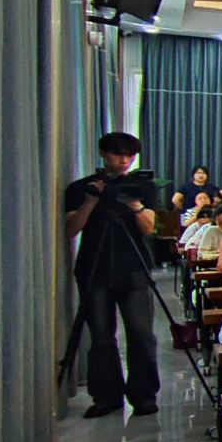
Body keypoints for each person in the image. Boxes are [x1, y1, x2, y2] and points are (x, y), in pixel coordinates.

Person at [63, 132, 163, 418]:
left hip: (134, 267)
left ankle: (144, 394)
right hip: (94, 268)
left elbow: (149, 229)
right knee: (101, 336)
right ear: (104, 154)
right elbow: (71, 230)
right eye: (118, 155)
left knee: (141, 333)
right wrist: (90, 202)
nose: (124, 161)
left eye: (130, 156)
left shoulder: (141, 186)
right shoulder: (82, 188)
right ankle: (106, 396)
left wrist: (136, 206)